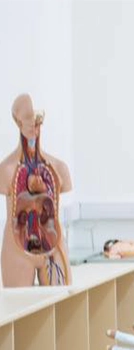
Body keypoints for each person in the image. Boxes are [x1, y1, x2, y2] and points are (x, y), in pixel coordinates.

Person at [0, 93, 73, 286]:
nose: (33, 128)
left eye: (36, 122)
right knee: (20, 304)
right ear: (19, 123)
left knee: (63, 303)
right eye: (29, 122)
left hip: (52, 247)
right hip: (17, 248)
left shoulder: (58, 169)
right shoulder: (6, 170)